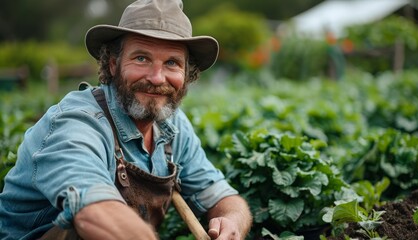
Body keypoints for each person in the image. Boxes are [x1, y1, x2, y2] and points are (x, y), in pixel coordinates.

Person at [0, 0, 252, 239]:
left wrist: (230, 221)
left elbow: (222, 195)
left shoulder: (172, 127)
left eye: (172, 63)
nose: (157, 77)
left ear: (187, 75)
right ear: (113, 64)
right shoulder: (77, 123)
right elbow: (94, 214)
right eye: (141, 58)